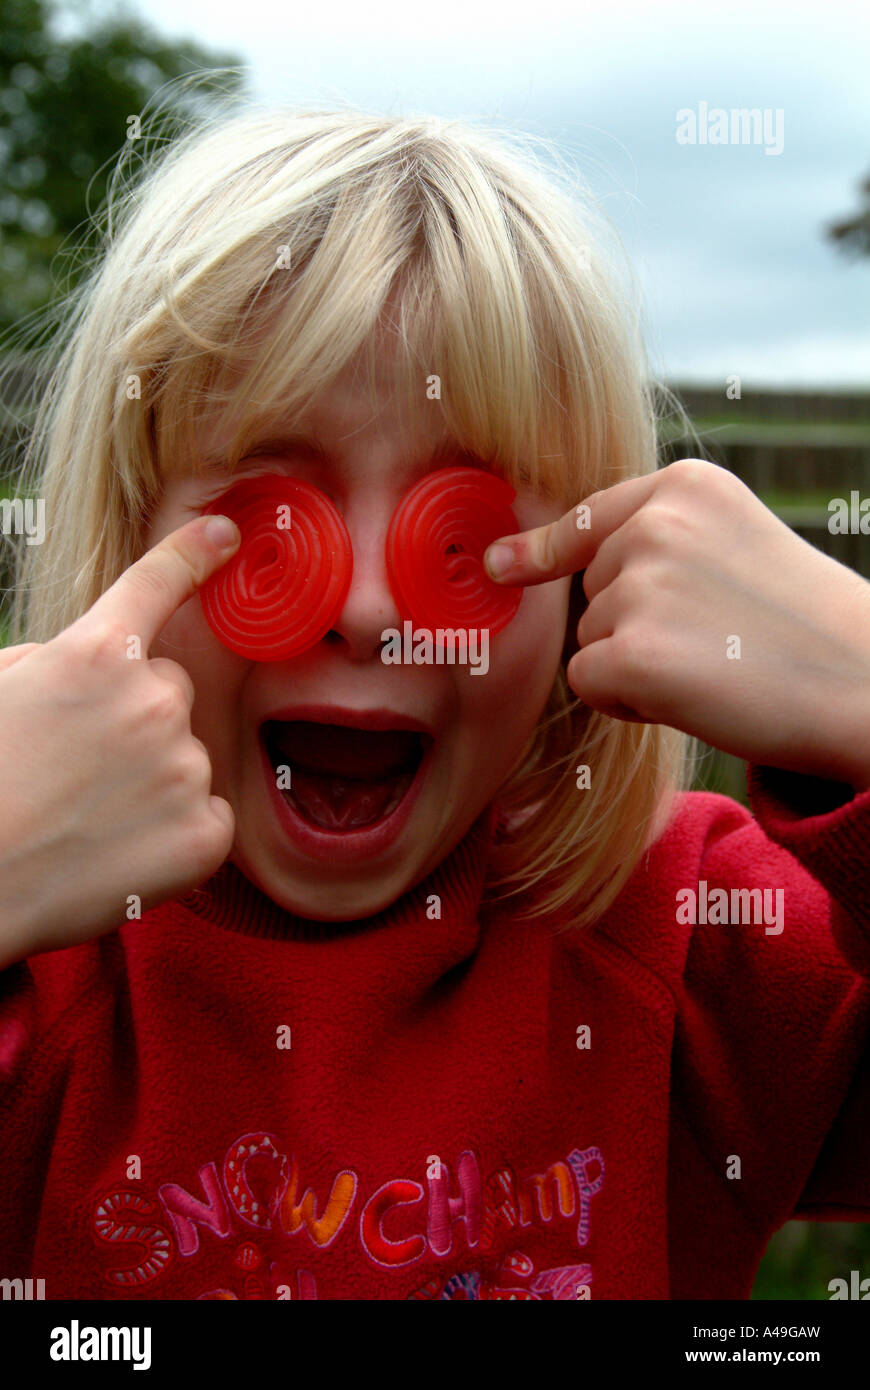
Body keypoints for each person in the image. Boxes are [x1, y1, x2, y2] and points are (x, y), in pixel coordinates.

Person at [1, 101, 869, 1302]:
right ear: (126, 537)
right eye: (270, 524)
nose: (360, 604)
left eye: (456, 536)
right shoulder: (41, 961)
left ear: (584, 582)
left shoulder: (693, 945)